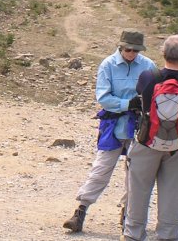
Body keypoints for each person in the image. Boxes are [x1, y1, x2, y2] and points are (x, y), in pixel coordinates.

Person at [63, 30, 155, 233]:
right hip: (113, 126)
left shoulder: (148, 66)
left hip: (139, 126)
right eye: (128, 49)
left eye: (136, 50)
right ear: (120, 47)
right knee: (101, 169)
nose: (131, 53)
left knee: (136, 173)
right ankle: (80, 211)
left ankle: (128, 214)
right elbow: (103, 97)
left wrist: (141, 105)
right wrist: (126, 103)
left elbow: (155, 95)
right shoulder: (107, 65)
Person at [122, 35, 178, 241]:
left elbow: (141, 97)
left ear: (163, 53)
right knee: (172, 194)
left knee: (139, 190)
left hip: (147, 141)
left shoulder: (148, 77)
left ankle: (133, 234)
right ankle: (168, 235)